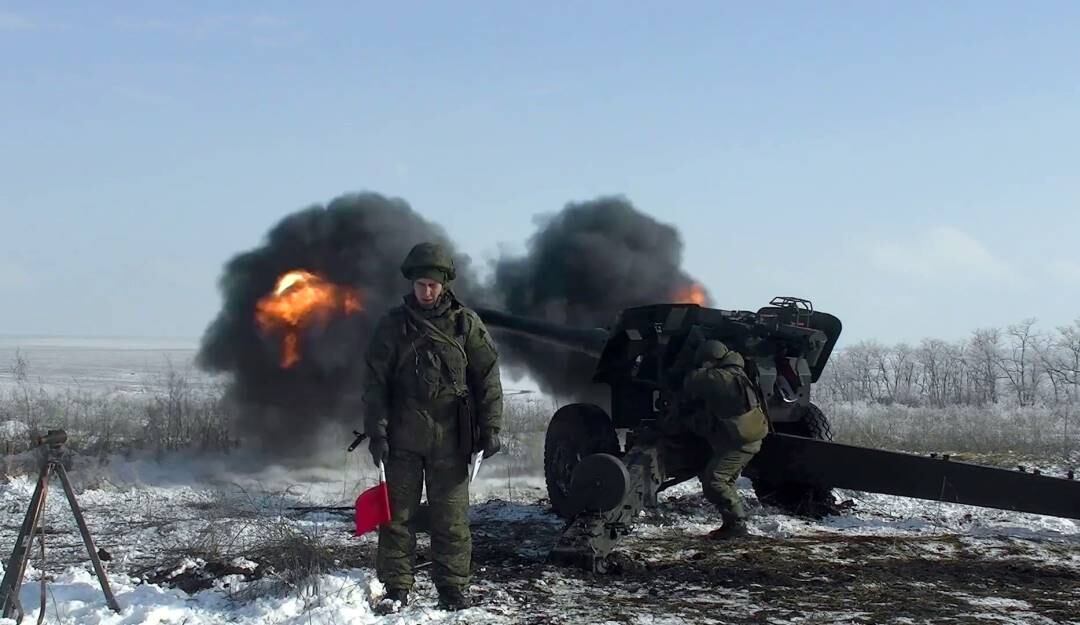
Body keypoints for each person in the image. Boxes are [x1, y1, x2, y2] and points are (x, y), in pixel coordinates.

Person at [362, 242, 504, 612]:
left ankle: (453, 589)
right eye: (421, 284)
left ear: (444, 285)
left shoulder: (464, 324)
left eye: (433, 285)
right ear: (412, 283)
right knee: (395, 519)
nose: (427, 292)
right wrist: (376, 432)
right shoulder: (392, 326)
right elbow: (375, 384)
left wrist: (491, 427)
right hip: (402, 438)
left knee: (452, 521)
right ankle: (396, 587)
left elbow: (487, 377)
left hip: (452, 441)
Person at [671, 339, 768, 539]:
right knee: (726, 481)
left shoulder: (720, 378)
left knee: (715, 481)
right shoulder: (738, 371)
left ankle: (737, 526)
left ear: (711, 360)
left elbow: (692, 380)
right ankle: (732, 524)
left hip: (742, 442)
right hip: (746, 436)